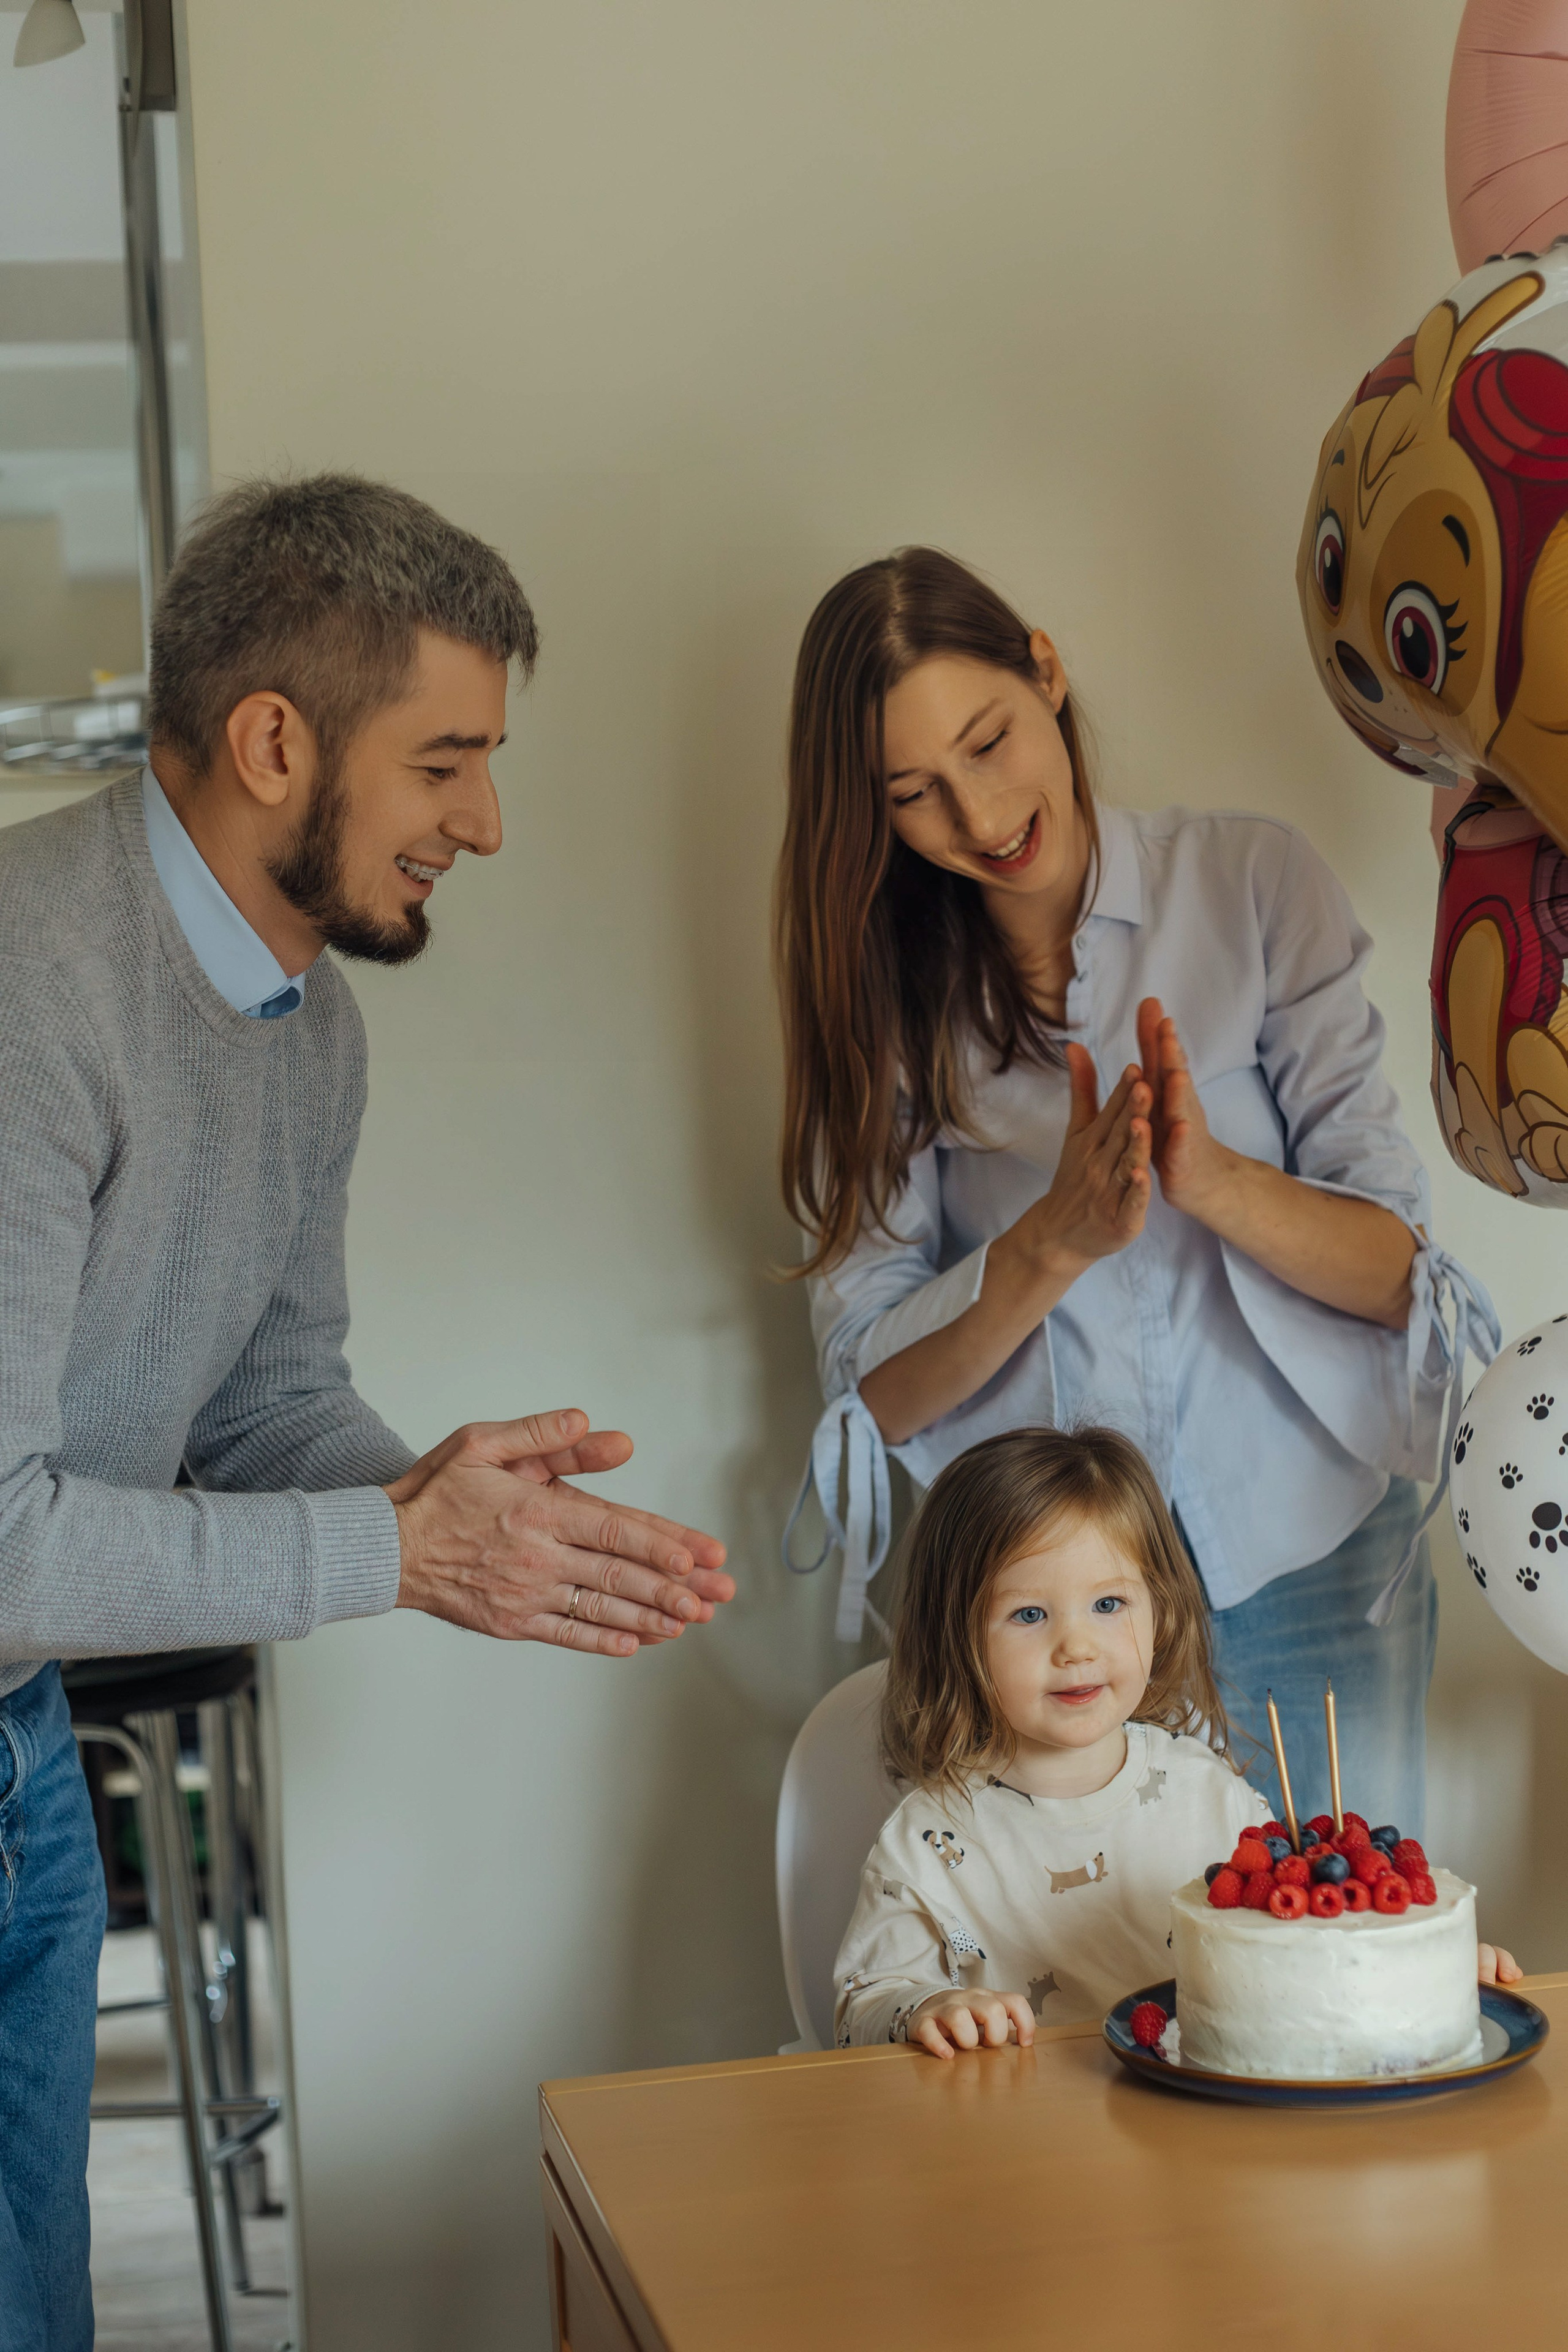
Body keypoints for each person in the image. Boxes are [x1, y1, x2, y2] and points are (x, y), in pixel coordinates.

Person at [0, 475, 733, 2352]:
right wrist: (392, 1551)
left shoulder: (310, 1028)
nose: (482, 822)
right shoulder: (27, 984)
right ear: (272, 743)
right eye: (445, 764)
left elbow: (271, 1401)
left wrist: (455, 1509)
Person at [777, 546, 1496, 1838]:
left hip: (1310, 1546)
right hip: (1042, 1606)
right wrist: (1046, 1245)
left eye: (990, 741)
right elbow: (868, 1395)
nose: (980, 815)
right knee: (1083, 1995)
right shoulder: (879, 1003)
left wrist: (1209, 1181)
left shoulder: (1251, 887)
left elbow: (1400, 1273)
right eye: (915, 794)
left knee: (1335, 1964)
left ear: (1044, 674)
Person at [834, 1428, 1520, 2059]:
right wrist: (931, 2004)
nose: (1076, 1647)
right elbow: (866, 2003)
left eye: (1108, 1605)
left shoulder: (1209, 1796)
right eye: (1028, 1614)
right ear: (953, 1635)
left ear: (1158, 1612)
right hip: (1021, 2146)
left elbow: (1310, 1947)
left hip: (1204, 2141)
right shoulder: (929, 1842)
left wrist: (1423, 1968)